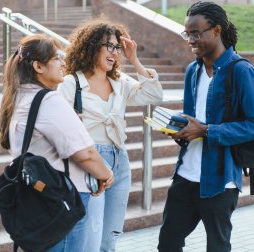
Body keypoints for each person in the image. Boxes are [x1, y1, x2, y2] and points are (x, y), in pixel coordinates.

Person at [158, 2, 254, 252]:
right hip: (186, 175)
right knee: (167, 243)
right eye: (188, 34)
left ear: (217, 30)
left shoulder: (241, 71)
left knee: (217, 247)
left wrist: (207, 131)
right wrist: (179, 130)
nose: (190, 40)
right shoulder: (192, 71)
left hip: (220, 180)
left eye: (196, 33)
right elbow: (190, 119)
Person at [0, 34, 114, 252]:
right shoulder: (49, 100)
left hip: (38, 197)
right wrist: (105, 174)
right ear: (38, 66)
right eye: (57, 58)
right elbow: (84, 154)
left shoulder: (20, 96)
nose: (63, 63)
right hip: (62, 200)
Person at [58, 19, 163, 251]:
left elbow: (153, 95)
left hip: (119, 160)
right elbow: (61, 130)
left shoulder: (120, 82)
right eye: (109, 46)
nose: (115, 52)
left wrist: (134, 59)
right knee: (90, 235)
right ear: (92, 46)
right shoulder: (70, 83)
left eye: (117, 47)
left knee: (109, 237)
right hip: (88, 161)